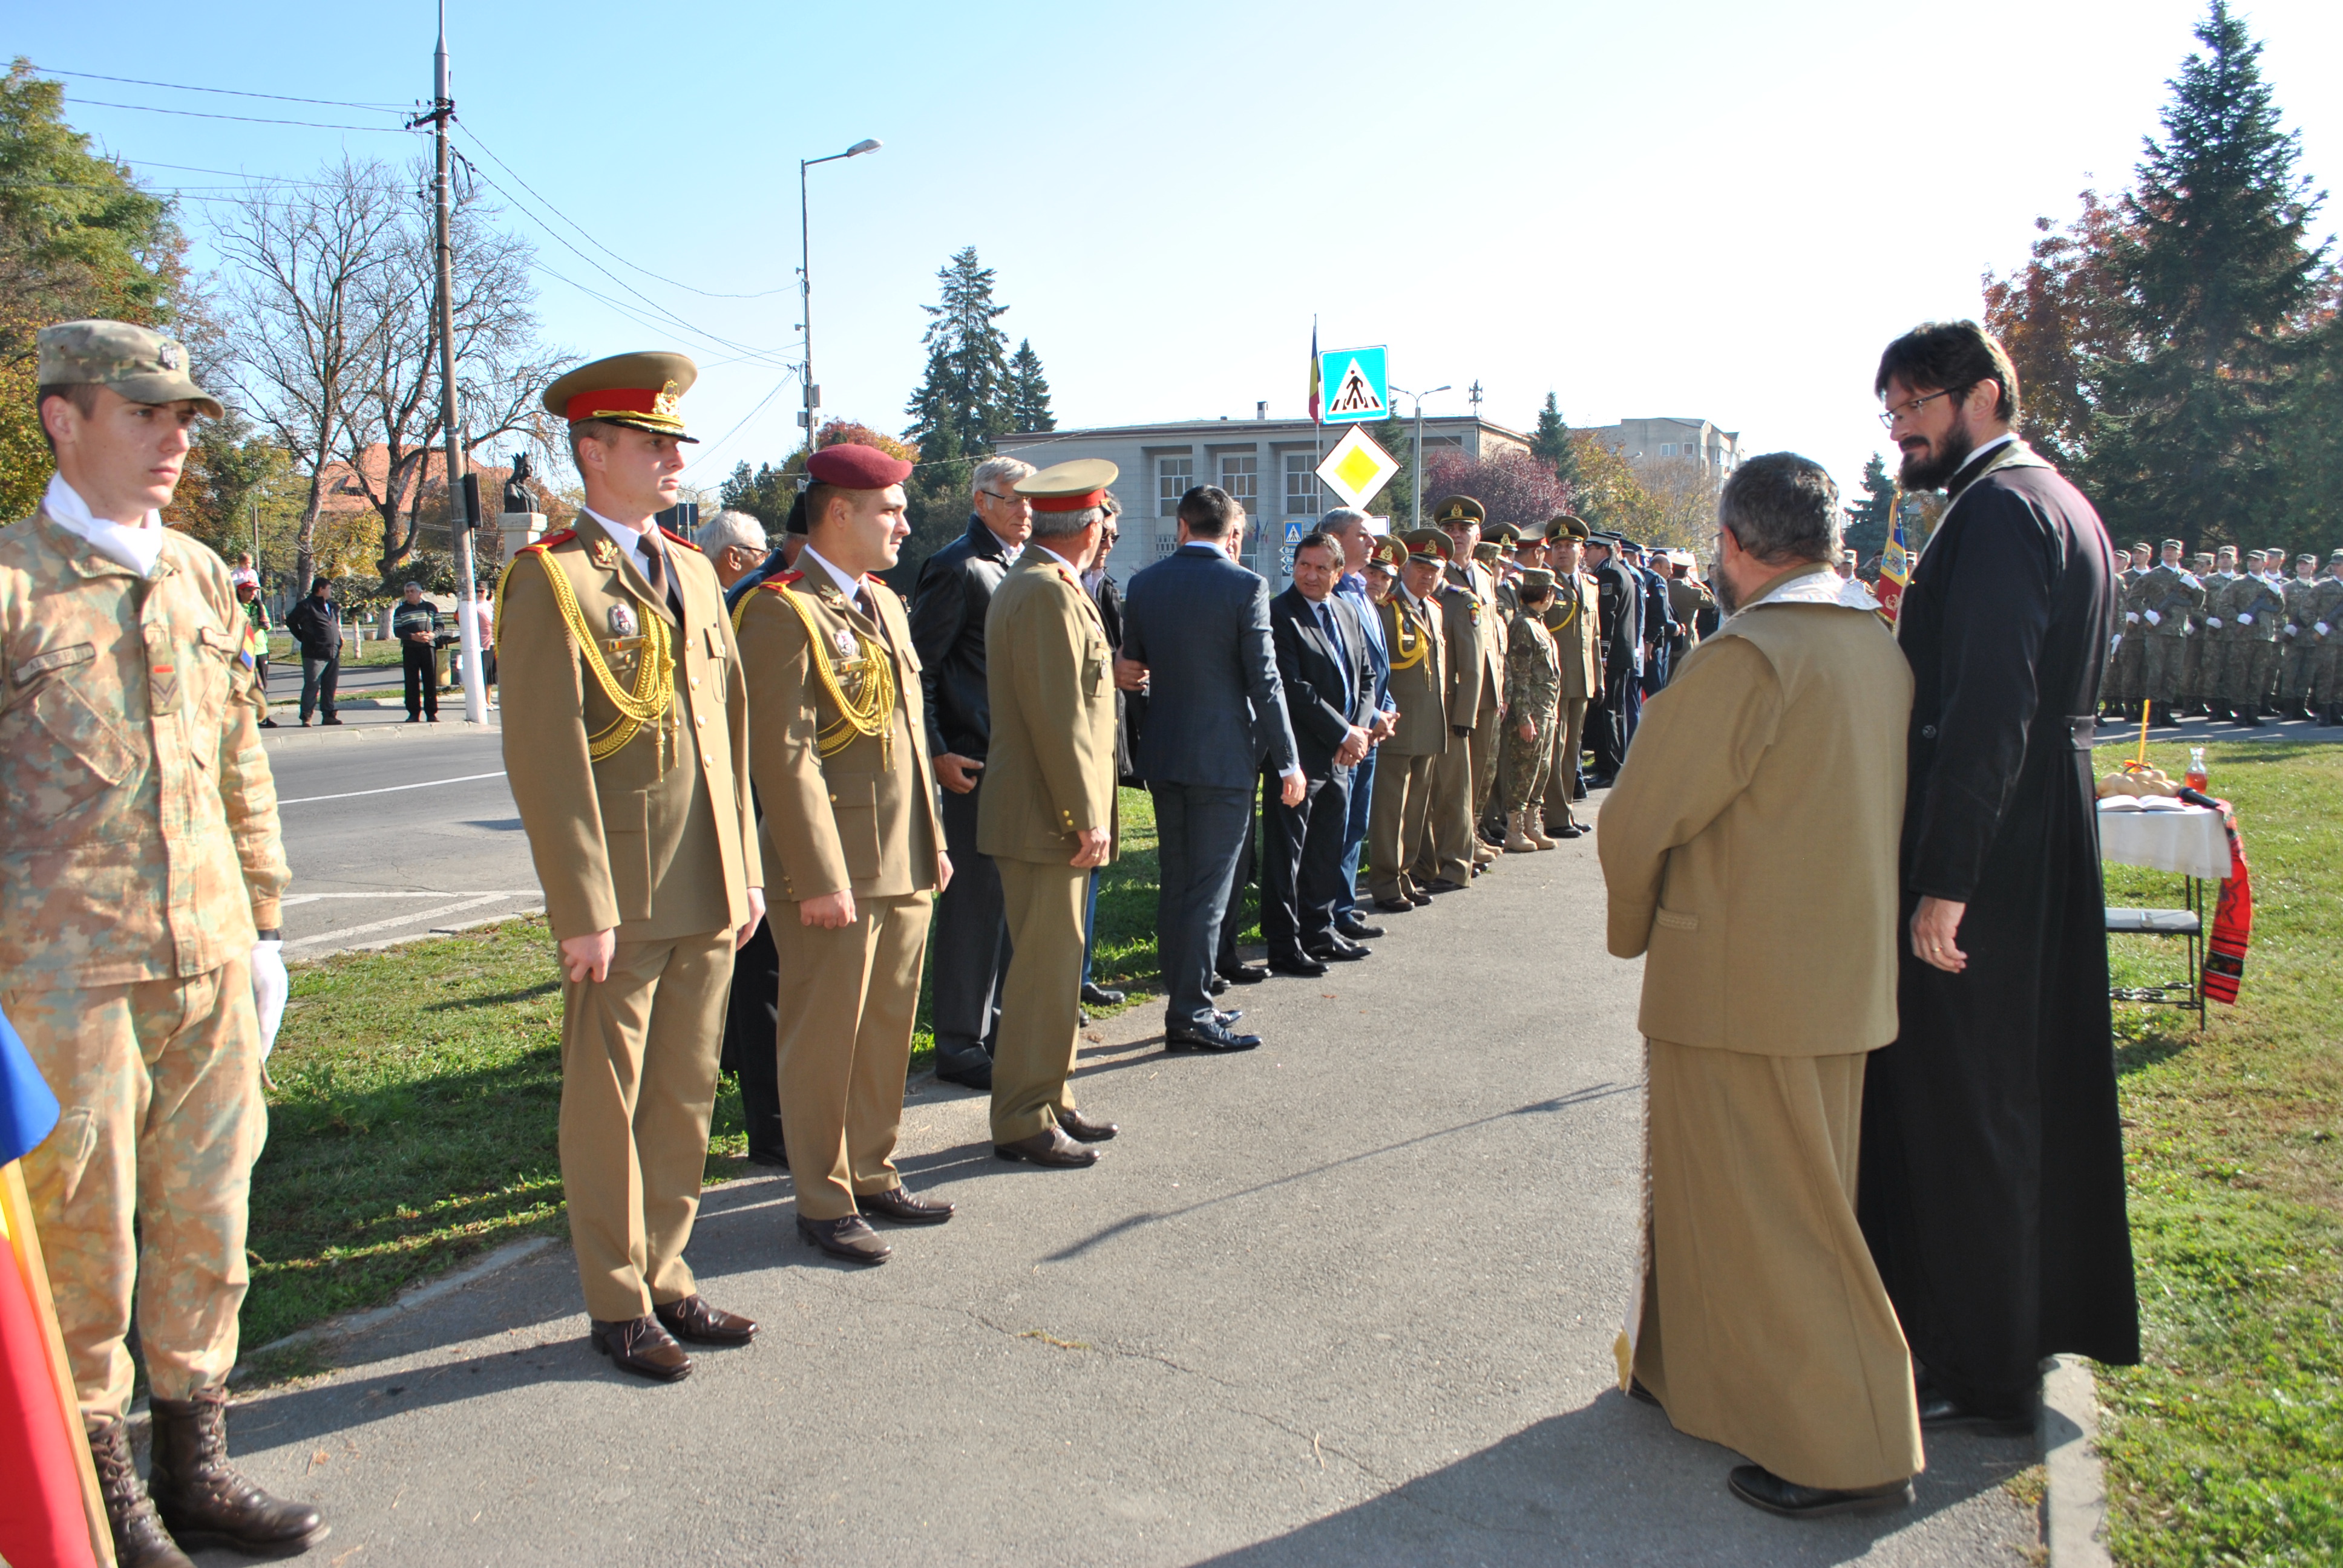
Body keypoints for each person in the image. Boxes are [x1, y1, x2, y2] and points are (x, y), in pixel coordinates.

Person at [8, 319, 326, 1565]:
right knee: (80, 1237)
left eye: (185, 418)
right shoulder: (13, 584)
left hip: (211, 957)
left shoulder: (197, 574)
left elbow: (241, 756)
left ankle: (193, 1467)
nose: (174, 440)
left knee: (210, 1218)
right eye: (145, 414)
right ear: (64, 418)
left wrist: (266, 922)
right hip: (61, 980)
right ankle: (99, 1494)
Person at [1601, 451, 1921, 1520]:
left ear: (1735, 544)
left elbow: (1640, 817)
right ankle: (1693, 1376)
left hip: (1741, 981)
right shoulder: (1874, 645)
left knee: (1783, 1222)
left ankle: (1852, 1446)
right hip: (1833, 976)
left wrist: (1631, 924)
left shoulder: (1748, 656)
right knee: (1724, 1200)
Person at [1859, 320, 2138, 1434]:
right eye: (1889, 411)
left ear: (1981, 395)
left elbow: (1989, 704)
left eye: (1913, 406)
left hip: (1996, 841)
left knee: (1965, 1102)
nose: (1899, 431)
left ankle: (1977, 1361)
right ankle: (2015, 1331)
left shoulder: (1997, 511)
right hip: (2040, 822)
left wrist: (1946, 877)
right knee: (2021, 1088)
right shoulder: (2057, 500)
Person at [497, 351, 765, 1382]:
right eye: (652, 442)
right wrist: (581, 906)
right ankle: (616, 1301)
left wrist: (746, 869)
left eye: (674, 441)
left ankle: (668, 1270)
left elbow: (729, 732)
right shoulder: (551, 579)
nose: (673, 458)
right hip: (621, 892)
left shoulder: (693, 570)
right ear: (592, 452)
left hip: (707, 880)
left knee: (686, 1092)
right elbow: (547, 756)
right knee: (608, 1100)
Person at [736, 445, 954, 1266]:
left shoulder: (886, 604)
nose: (904, 525)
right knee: (824, 1040)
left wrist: (933, 842)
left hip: (902, 859)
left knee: (886, 1031)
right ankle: (823, 1200)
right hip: (835, 870)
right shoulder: (780, 612)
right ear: (838, 512)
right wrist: (818, 876)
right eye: (890, 511)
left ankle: (872, 1170)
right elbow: (785, 757)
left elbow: (907, 738)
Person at [1118, 485, 1303, 1051]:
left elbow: (1133, 671)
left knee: (1178, 882)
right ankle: (1190, 1013)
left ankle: (1186, 996)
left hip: (1166, 753)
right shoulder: (1246, 585)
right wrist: (1289, 760)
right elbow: (1265, 682)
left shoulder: (1144, 584)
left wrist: (1153, 725)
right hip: (1222, 758)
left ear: (1182, 526)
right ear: (1233, 534)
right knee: (1209, 889)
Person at [978, 460, 1123, 1164]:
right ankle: (1021, 1119)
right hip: (1046, 816)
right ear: (1089, 528)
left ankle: (1051, 1097)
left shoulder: (1049, 583)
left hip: (1049, 814)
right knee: (1042, 973)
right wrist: (1082, 814)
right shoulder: (1043, 591)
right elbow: (1058, 718)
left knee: (1058, 968)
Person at [909, 456, 1038, 1090]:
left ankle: (994, 1029)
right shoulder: (958, 566)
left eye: (1031, 501)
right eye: (1014, 499)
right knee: (973, 907)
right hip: (972, 763)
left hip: (1015, 764)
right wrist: (936, 749)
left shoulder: (1018, 564)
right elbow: (921, 671)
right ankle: (960, 1044)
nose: (1026, 511)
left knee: (1008, 904)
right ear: (981, 501)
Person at [1262, 530, 1377, 975]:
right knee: (1287, 854)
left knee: (1326, 848)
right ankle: (1283, 943)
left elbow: (1365, 676)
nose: (1310, 575)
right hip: (1299, 757)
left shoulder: (1346, 610)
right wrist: (1343, 732)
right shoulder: (1280, 614)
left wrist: (1358, 732)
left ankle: (1320, 929)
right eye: (1303, 566)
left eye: (1321, 567)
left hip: (1342, 755)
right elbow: (1293, 689)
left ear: (1339, 571)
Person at [1368, 531, 1453, 913]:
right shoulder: (1386, 608)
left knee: (1416, 808)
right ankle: (1386, 882)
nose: (1427, 575)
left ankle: (1405, 875)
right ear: (1404, 569)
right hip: (1398, 725)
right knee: (1391, 810)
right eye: (1419, 567)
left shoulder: (1434, 609)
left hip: (1430, 725)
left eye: (1434, 569)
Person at [1325, 513, 1397, 943]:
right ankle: (1328, 913)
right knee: (1337, 824)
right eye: (1363, 535)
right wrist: (1369, 719)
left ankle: (1344, 907)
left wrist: (1387, 710)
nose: (1372, 543)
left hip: (1370, 728)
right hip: (1348, 732)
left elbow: (1375, 665)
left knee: (1356, 824)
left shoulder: (1360, 590)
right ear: (1335, 538)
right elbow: (1341, 672)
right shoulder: (1334, 593)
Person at [1430, 497, 1505, 877]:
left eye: (1465, 529)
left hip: (1486, 686)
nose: (1457, 535)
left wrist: (1500, 685)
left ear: (1478, 535)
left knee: (1478, 769)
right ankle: (1449, 844)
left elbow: (1493, 635)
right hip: (1452, 689)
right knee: (1451, 777)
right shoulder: (1435, 576)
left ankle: (1469, 835)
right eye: (1450, 529)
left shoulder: (1486, 576)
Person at [1078, 497, 1132, 1013]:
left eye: (1115, 536)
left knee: (1092, 873)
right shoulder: (1057, 588)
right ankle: (1061, 982)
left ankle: (1081, 974)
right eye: (1104, 533)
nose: (1108, 544)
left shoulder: (1104, 587)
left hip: (1102, 749)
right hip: (1072, 756)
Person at [1539, 517, 1602, 840]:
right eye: (1558, 546)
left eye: (1569, 546)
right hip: (1555, 680)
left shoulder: (1590, 585)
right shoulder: (1545, 585)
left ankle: (1566, 810)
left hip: (1583, 679)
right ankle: (1555, 816)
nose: (1563, 551)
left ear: (1582, 551)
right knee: (1556, 748)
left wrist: (1598, 678)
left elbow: (1594, 636)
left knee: (1572, 749)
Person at [1501, 569, 1563, 852]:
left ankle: (1532, 824)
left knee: (1541, 768)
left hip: (1546, 709)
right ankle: (1514, 830)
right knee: (1523, 770)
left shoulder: (1538, 623)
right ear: (1545, 594)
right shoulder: (1523, 625)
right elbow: (1519, 674)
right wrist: (1524, 716)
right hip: (1532, 711)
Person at [1582, 532, 1641, 785]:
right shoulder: (1620, 571)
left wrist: (1603, 653)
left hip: (1613, 654)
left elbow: (1608, 616)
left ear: (1604, 550)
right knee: (1616, 712)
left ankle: (1609, 770)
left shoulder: (1609, 574)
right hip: (1621, 653)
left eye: (1590, 549)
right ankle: (1615, 766)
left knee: (1608, 712)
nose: (1586, 554)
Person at [2134, 539, 2201, 727]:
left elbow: (2198, 603)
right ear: (2161, 553)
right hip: (2157, 631)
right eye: (2166, 550)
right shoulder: (2152, 575)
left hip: (2179, 632)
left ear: (2180, 554)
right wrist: (2147, 613)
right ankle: (2153, 712)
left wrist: (2195, 588)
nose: (2169, 553)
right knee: (2156, 672)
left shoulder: (2187, 576)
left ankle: (2166, 710)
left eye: (2173, 550)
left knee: (2173, 673)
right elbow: (2133, 598)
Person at [2222, 550, 2285, 725]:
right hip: (2244, 637)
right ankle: (2240, 711)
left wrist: (2279, 595)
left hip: (2265, 636)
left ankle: (2253, 711)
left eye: (2256, 561)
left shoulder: (2271, 586)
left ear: (2265, 563)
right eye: (2250, 560)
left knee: (2258, 675)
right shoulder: (2238, 584)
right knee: (2241, 674)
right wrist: (2238, 617)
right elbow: (2223, 606)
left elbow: (2279, 610)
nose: (2252, 563)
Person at [283, 574, 342, 726]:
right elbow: (291, 622)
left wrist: (339, 642)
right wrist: (304, 638)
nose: (331, 592)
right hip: (314, 653)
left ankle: (329, 715)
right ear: (320, 589)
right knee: (312, 684)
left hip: (333, 652)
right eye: (329, 589)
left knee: (330, 686)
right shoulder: (306, 606)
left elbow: (334, 625)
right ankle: (307, 716)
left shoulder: (332, 606)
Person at [391, 581, 443, 724]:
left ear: (420, 593)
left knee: (430, 680)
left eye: (412, 591)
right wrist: (412, 636)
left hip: (428, 648)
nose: (409, 594)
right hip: (410, 649)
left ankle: (431, 713)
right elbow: (397, 630)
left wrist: (432, 635)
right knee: (411, 682)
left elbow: (440, 625)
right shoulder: (401, 610)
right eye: (407, 592)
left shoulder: (430, 608)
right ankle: (413, 713)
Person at [234, 575, 278, 728]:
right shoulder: (234, 608)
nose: (253, 593)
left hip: (260, 650)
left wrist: (266, 625)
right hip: (243, 652)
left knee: (262, 685)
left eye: (254, 590)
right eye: (249, 590)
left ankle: (263, 716)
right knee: (245, 685)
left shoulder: (259, 606)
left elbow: (269, 626)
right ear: (240, 591)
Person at [697, 508, 771, 592]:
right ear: (734, 558)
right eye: (762, 555)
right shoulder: (745, 599)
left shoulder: (694, 593)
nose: (766, 561)